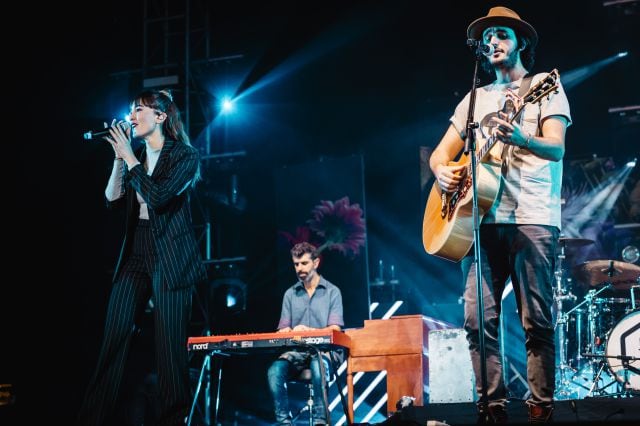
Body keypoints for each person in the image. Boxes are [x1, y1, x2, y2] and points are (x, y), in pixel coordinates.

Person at [429, 6, 571, 424]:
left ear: (521, 42)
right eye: (488, 37)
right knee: (476, 322)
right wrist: (441, 172)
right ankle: (491, 408)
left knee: (537, 320)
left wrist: (524, 137)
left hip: (531, 215)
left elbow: (556, 147)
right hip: (479, 222)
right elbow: (441, 153)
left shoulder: (545, 86)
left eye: (502, 36)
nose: (493, 43)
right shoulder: (473, 100)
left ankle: (540, 408)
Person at [78, 88, 207, 426]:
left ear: (161, 117)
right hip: (136, 250)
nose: (132, 116)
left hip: (172, 253)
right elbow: (112, 199)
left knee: (169, 351)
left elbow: (160, 197)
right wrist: (120, 158)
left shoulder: (184, 156)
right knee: (114, 336)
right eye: (131, 110)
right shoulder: (133, 154)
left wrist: (131, 158)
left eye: (139, 110)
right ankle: (92, 418)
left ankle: (173, 420)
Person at [267, 242, 344, 426]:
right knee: (274, 371)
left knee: (318, 366)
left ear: (315, 263)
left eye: (304, 263)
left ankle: (320, 422)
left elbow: (335, 330)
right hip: (298, 352)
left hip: (325, 352)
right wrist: (288, 331)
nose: (299, 268)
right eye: (296, 264)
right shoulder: (290, 294)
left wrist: (310, 331)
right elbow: (282, 330)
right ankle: (284, 423)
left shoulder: (332, 292)